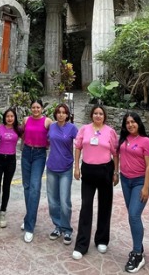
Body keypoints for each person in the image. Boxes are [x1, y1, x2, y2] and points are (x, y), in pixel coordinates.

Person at [71, 104, 119, 260]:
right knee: (86, 207)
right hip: (88, 171)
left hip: (105, 170)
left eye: (101, 113)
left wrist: (115, 172)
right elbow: (78, 148)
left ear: (104, 116)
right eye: (95, 113)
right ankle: (81, 244)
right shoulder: (84, 129)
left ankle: (102, 239)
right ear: (92, 115)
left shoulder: (110, 132)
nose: (98, 116)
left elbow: (115, 153)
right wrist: (76, 167)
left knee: (105, 205)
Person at [117, 112, 149, 273]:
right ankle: (139, 246)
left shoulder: (146, 141)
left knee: (133, 215)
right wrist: (115, 173)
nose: (130, 125)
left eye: (133, 122)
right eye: (127, 123)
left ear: (138, 123)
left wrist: (146, 187)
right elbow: (117, 155)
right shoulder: (124, 139)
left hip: (139, 182)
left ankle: (137, 254)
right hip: (125, 181)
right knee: (132, 216)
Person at [44, 103, 79, 245]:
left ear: (67, 114)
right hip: (51, 167)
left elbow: (80, 144)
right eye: (58, 112)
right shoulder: (51, 126)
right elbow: (46, 141)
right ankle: (58, 226)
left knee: (64, 201)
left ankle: (67, 229)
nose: (61, 114)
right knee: (53, 201)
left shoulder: (72, 128)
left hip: (66, 168)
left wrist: (78, 165)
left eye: (64, 112)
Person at [20, 99, 51, 243]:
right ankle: (28, 217)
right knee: (26, 187)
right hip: (26, 153)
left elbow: (54, 135)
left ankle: (30, 227)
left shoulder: (47, 121)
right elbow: (21, 134)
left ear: (42, 108)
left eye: (38, 107)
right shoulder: (26, 119)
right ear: (30, 108)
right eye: (33, 107)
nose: (36, 109)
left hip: (39, 154)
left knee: (34, 188)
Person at [0, 108, 22, 231]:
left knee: (6, 187)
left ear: (15, 118)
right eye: (8, 116)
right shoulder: (0, 128)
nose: (10, 118)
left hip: (11, 160)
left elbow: (29, 137)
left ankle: (3, 214)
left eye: (12, 116)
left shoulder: (18, 129)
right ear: (4, 117)